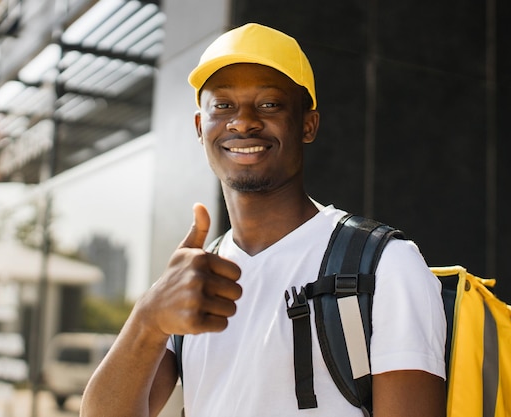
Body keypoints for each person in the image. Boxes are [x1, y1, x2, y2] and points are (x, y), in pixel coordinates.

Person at [80, 23, 447, 417]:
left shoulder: (387, 266)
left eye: (269, 104)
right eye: (222, 105)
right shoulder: (194, 283)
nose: (243, 122)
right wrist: (148, 319)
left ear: (308, 124)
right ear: (200, 128)